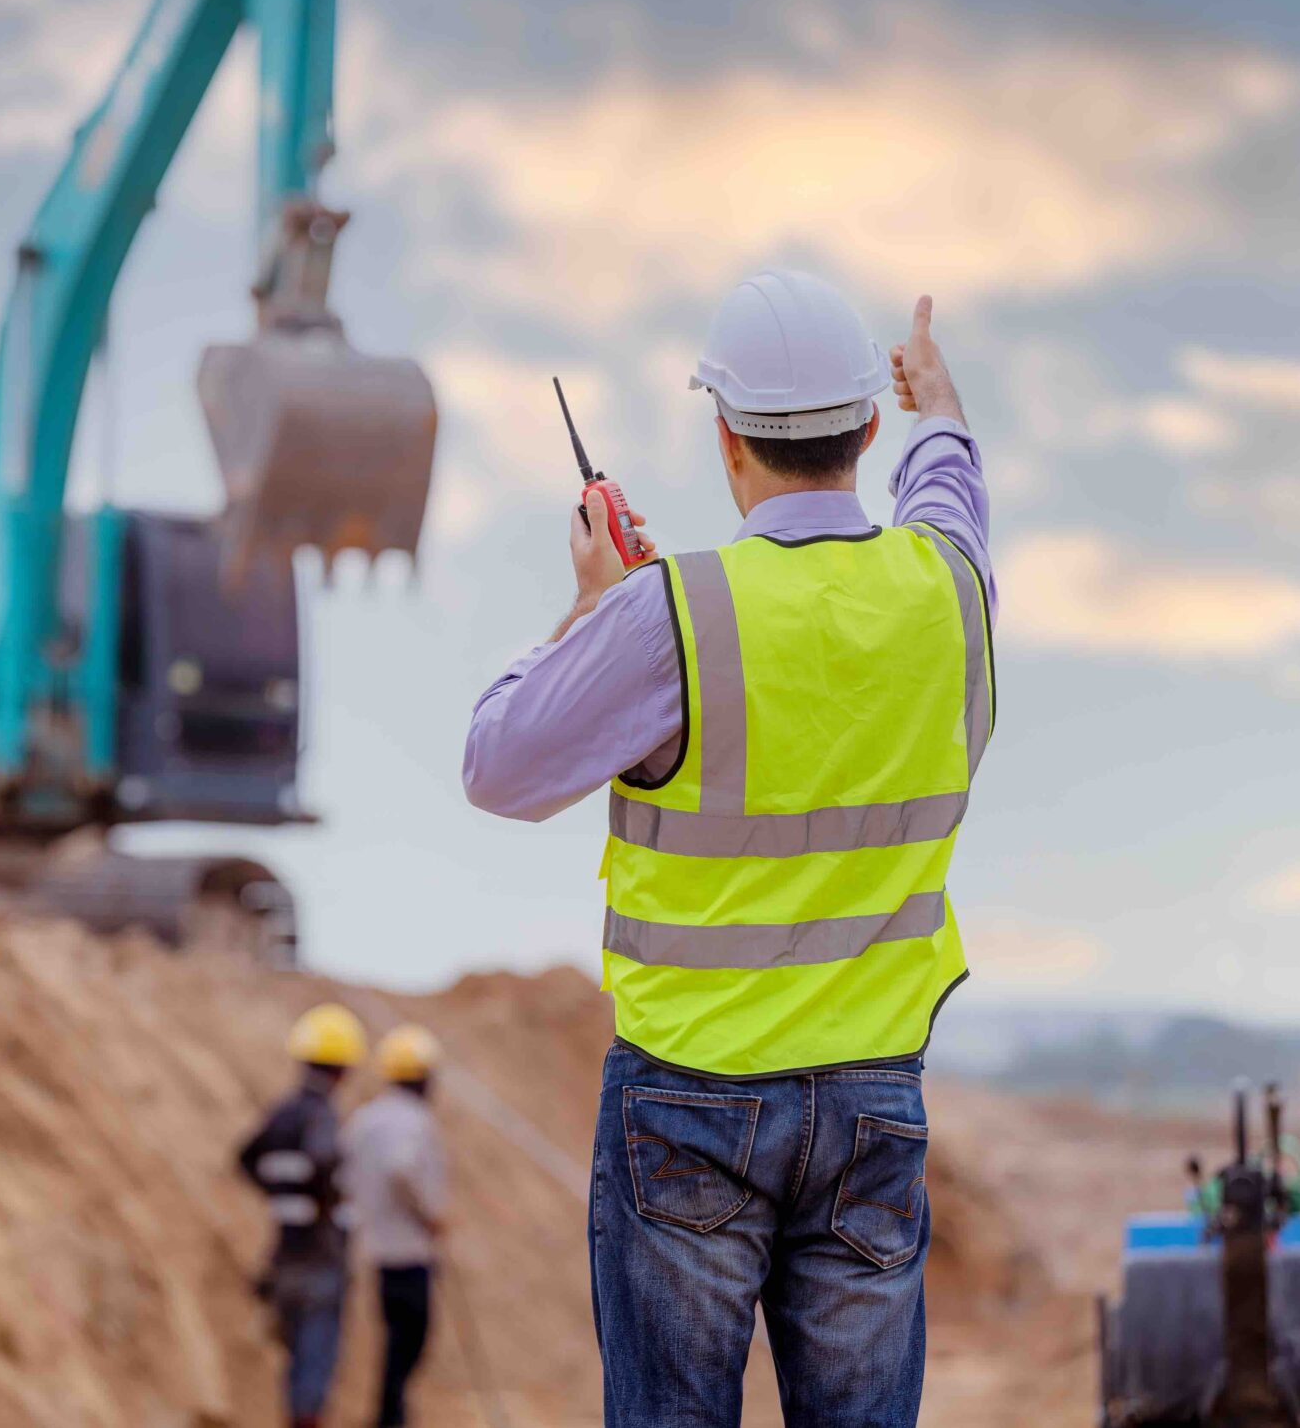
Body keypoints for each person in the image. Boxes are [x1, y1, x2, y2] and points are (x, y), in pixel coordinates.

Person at [463, 271, 993, 1428]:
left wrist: (591, 610)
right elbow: (951, 490)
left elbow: (497, 767)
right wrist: (939, 403)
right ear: (867, 429)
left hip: (688, 1102)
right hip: (871, 1102)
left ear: (724, 439)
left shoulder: (670, 614)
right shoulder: (946, 593)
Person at [239, 1002, 367, 1428]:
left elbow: (246, 1158)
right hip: (320, 1257)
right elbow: (323, 1161)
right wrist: (327, 1201)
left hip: (285, 1255)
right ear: (344, 1067)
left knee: (296, 1362)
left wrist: (282, 1195)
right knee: (315, 1363)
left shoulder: (283, 1112)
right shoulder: (321, 1114)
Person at [343, 1024, 449, 1428]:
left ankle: (391, 1413)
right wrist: (429, 1214)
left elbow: (344, 1173)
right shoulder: (414, 1121)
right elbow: (400, 1169)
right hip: (408, 1250)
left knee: (396, 1339)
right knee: (410, 1339)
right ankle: (390, 1416)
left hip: (375, 1247)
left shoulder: (364, 1119)